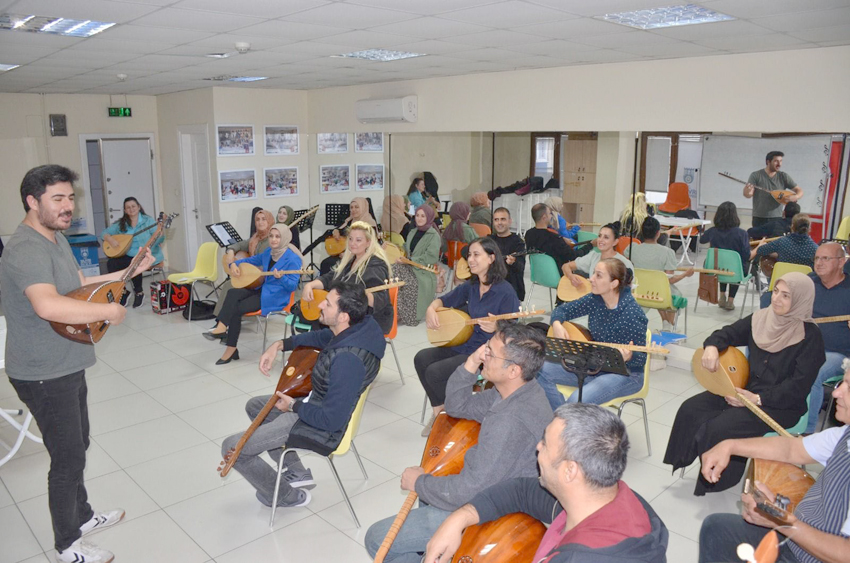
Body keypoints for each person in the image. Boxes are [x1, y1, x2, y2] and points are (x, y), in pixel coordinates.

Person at [2, 165, 157, 563]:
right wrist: (108, 310)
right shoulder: (25, 249)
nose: (67, 206)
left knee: (79, 445)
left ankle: (82, 516)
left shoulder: (55, 238)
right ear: (32, 202)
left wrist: (128, 271)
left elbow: (76, 287)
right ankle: (67, 545)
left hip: (66, 362)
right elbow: (47, 304)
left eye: (70, 198)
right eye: (58, 199)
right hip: (42, 372)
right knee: (67, 457)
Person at [364, 323, 553, 563]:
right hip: (486, 485)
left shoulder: (511, 420)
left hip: (492, 507)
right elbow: (456, 405)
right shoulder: (516, 389)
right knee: (430, 489)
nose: (484, 353)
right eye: (486, 347)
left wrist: (419, 482)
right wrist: (472, 363)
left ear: (513, 370)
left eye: (490, 353)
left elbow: (469, 490)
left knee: (377, 539)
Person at [424, 403, 669, 563]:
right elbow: (520, 491)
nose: (537, 447)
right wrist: (460, 518)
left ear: (569, 471)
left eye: (545, 444)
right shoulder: (612, 498)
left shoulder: (580, 557)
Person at [223, 282, 385, 509]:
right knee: (255, 406)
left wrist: (293, 407)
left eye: (327, 304)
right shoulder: (361, 327)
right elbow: (323, 338)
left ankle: (285, 496)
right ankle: (298, 472)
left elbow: (331, 420)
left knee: (232, 448)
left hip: (320, 425)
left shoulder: (348, 360)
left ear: (343, 317)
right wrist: (280, 345)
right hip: (318, 404)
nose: (320, 304)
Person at [663, 272, 825, 496]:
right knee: (691, 409)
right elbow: (727, 333)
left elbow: (797, 388)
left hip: (779, 405)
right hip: (744, 392)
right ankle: (687, 459)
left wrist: (758, 399)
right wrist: (712, 346)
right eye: (775, 291)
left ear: (800, 300)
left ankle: (715, 479)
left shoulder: (810, 337)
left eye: (786, 296)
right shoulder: (761, 318)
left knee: (720, 427)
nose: (776, 299)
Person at [697, 359, 850, 563]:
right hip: (799, 537)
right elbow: (790, 449)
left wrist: (783, 522)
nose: (836, 392)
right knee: (716, 529)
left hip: (812, 552)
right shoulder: (844, 434)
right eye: (843, 383)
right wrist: (730, 446)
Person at [416, 238, 520, 436]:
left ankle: (447, 417)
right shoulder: (471, 286)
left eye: (476, 255)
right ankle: (440, 413)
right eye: (469, 255)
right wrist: (431, 308)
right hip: (466, 343)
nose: (470, 260)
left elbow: (512, 332)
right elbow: (444, 300)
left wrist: (497, 327)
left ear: (491, 258)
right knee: (421, 358)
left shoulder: (506, 291)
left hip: (486, 353)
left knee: (435, 372)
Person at [538, 258, 648, 408]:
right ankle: (562, 420)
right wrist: (556, 323)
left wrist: (630, 356)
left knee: (576, 400)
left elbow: (641, 359)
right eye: (593, 274)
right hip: (595, 366)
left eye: (598, 275)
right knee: (539, 369)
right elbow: (562, 310)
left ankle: (564, 422)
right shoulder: (596, 299)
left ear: (613, 284)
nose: (591, 279)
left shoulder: (633, 314)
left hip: (626, 374)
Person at [203, 223, 302, 365]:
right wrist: (234, 264)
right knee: (232, 293)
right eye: (271, 236)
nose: (273, 240)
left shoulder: (293, 259)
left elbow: (292, 286)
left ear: (285, 238)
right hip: (262, 289)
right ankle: (222, 327)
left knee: (237, 308)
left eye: (278, 237)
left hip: (275, 297)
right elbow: (249, 260)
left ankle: (230, 348)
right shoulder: (269, 252)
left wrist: (282, 277)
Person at [301, 220, 393, 333]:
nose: (353, 243)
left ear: (368, 242)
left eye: (358, 240)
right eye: (350, 239)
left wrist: (359, 294)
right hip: (350, 312)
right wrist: (310, 285)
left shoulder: (376, 265)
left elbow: (380, 299)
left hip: (371, 319)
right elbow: (330, 277)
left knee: (322, 321)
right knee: (319, 318)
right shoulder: (351, 260)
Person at [802, 242, 850, 433]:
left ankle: (806, 432)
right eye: (817, 258)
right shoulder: (808, 283)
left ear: (841, 262)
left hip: (838, 354)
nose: (819, 263)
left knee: (812, 370)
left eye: (825, 258)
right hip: (805, 346)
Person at [629, 217, 694, 332]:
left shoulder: (632, 249)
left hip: (638, 292)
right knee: (667, 291)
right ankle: (669, 326)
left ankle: (667, 324)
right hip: (659, 295)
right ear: (658, 233)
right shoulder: (667, 252)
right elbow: (669, 280)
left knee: (656, 286)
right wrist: (685, 274)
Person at [100, 196, 164, 308]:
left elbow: (159, 238)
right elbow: (104, 233)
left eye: (133, 206)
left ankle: (139, 292)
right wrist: (111, 239)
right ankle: (123, 292)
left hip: (147, 254)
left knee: (134, 262)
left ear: (139, 207)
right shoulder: (122, 224)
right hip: (128, 254)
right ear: (125, 210)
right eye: (128, 207)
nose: (131, 209)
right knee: (111, 263)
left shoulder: (148, 221)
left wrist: (160, 234)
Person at [216, 209, 275, 316]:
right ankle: (222, 319)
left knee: (230, 285)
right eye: (257, 219)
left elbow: (261, 263)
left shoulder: (271, 240)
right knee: (230, 284)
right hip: (250, 274)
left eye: (263, 219)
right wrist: (230, 252)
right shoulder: (255, 238)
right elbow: (239, 245)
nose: (260, 222)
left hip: (262, 278)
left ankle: (221, 319)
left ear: (270, 221)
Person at [392, 204, 440, 326]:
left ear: (429, 217)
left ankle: (410, 315)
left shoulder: (433, 235)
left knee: (403, 278)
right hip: (409, 267)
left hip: (423, 271)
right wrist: (393, 248)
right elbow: (406, 249)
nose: (419, 218)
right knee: (392, 271)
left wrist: (411, 260)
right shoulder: (412, 232)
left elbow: (431, 257)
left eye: (423, 216)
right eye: (417, 215)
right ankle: (400, 312)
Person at [698, 201, 750, 311]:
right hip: (735, 272)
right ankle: (730, 301)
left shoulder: (713, 231)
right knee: (738, 265)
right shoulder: (742, 233)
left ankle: (722, 295)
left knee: (720, 264)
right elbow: (746, 255)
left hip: (715, 270)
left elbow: (702, 240)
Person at [318, 197, 378, 275]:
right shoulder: (350, 221)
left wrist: (350, 255)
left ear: (363, 207)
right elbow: (341, 230)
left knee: (330, 264)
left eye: (356, 207)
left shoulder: (370, 223)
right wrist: (336, 231)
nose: (353, 210)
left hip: (362, 256)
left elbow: (371, 246)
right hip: (347, 254)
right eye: (351, 207)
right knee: (325, 263)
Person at [744, 150, 804, 228]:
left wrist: (796, 197)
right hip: (759, 218)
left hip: (777, 218)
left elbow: (799, 190)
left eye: (781, 161)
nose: (779, 164)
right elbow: (747, 194)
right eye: (776, 161)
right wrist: (748, 191)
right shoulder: (756, 175)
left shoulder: (783, 176)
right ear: (768, 162)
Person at [562, 223, 633, 288]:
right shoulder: (593, 256)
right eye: (599, 236)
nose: (601, 240)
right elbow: (566, 266)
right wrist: (571, 277)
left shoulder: (624, 263)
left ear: (615, 242)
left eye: (606, 237)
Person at [751, 213, 819, 269]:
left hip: (783, 280)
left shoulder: (782, 242)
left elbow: (760, 250)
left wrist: (777, 254)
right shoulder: (816, 249)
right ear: (809, 228)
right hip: (805, 283)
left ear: (792, 226)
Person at [524, 203, 576, 274]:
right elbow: (573, 256)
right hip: (558, 273)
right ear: (544, 217)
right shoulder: (553, 238)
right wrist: (590, 245)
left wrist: (561, 240)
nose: (551, 216)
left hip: (539, 273)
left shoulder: (528, 234)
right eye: (550, 213)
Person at [488, 207, 526, 301]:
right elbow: (466, 250)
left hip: (511, 289)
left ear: (510, 221)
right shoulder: (489, 240)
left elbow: (521, 267)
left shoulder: (518, 242)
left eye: (503, 219)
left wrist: (513, 262)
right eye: (496, 220)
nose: (499, 223)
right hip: (490, 287)